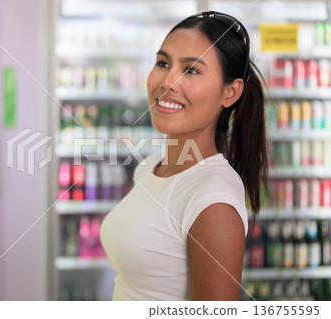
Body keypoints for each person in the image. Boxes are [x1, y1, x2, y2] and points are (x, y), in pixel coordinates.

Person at [99, 11, 268, 301]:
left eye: (191, 70)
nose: (167, 82)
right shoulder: (151, 168)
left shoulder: (214, 200)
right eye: (163, 63)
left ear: (230, 93)